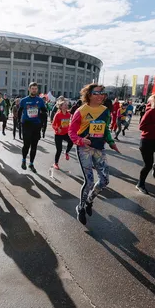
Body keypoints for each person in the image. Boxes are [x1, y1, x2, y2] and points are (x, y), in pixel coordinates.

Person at [68, 83, 119, 225]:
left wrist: (111, 142)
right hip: (84, 149)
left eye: (103, 93)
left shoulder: (105, 110)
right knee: (89, 181)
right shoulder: (81, 110)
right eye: (97, 93)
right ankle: (81, 207)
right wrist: (79, 140)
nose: (101, 96)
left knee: (104, 181)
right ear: (89, 95)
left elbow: (106, 130)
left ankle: (90, 200)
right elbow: (71, 131)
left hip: (99, 149)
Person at [18, 82, 47, 173]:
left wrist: (43, 114)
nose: (34, 90)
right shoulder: (24, 100)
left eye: (35, 89)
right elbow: (19, 111)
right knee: (26, 145)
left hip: (36, 125)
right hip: (26, 125)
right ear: (29, 89)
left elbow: (44, 111)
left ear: (37, 90)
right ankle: (23, 160)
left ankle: (31, 163)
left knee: (34, 146)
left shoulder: (40, 100)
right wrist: (19, 122)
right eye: (32, 88)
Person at [51, 99, 73, 170]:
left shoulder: (69, 114)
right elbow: (53, 125)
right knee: (59, 150)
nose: (67, 106)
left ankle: (66, 152)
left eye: (67, 105)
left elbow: (70, 124)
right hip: (58, 134)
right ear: (61, 107)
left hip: (66, 133)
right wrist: (57, 129)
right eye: (65, 105)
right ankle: (56, 163)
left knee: (71, 142)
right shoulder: (58, 115)